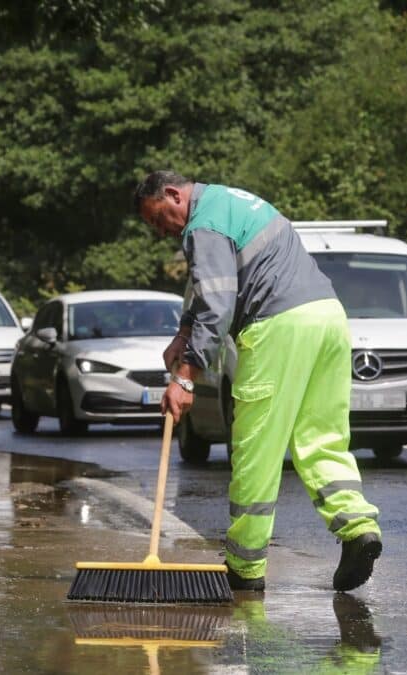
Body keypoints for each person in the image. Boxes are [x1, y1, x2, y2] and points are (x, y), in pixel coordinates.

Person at [134, 170, 382, 592]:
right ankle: (358, 529)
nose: (161, 231)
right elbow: (211, 285)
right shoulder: (233, 203)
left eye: (159, 219)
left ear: (174, 194)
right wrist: (182, 334)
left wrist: (187, 378)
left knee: (255, 447)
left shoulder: (203, 225)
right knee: (321, 437)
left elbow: (217, 303)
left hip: (276, 327)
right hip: (327, 319)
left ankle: (245, 566)